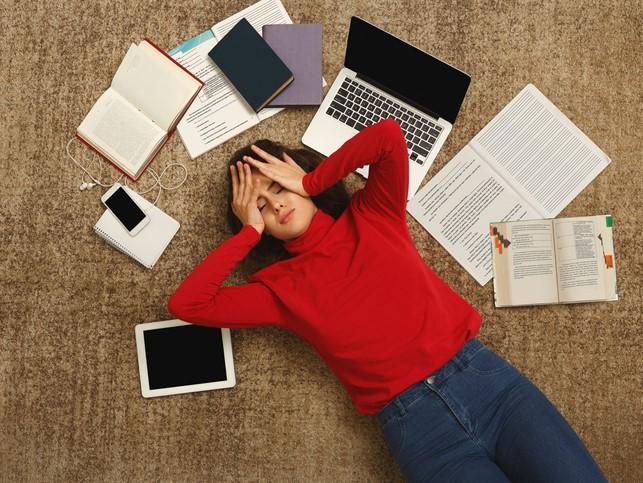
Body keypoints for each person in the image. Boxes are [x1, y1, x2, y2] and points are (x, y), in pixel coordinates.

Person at [167, 120, 607, 482]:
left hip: (490, 388)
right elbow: (189, 305)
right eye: (259, 205)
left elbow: (389, 137)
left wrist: (308, 178)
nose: (276, 204)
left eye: (278, 187)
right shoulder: (275, 290)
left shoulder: (372, 212)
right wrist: (247, 233)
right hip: (420, 433)